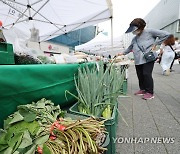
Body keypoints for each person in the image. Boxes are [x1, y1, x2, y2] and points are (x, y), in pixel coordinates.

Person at [118, 18, 171, 100]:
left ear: (141, 27)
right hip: (138, 59)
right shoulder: (134, 39)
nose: (134, 32)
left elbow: (166, 34)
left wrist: (156, 43)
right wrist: (122, 53)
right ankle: (142, 89)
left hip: (148, 58)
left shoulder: (149, 31)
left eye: (135, 30)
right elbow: (130, 48)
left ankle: (150, 92)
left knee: (146, 74)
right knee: (140, 75)